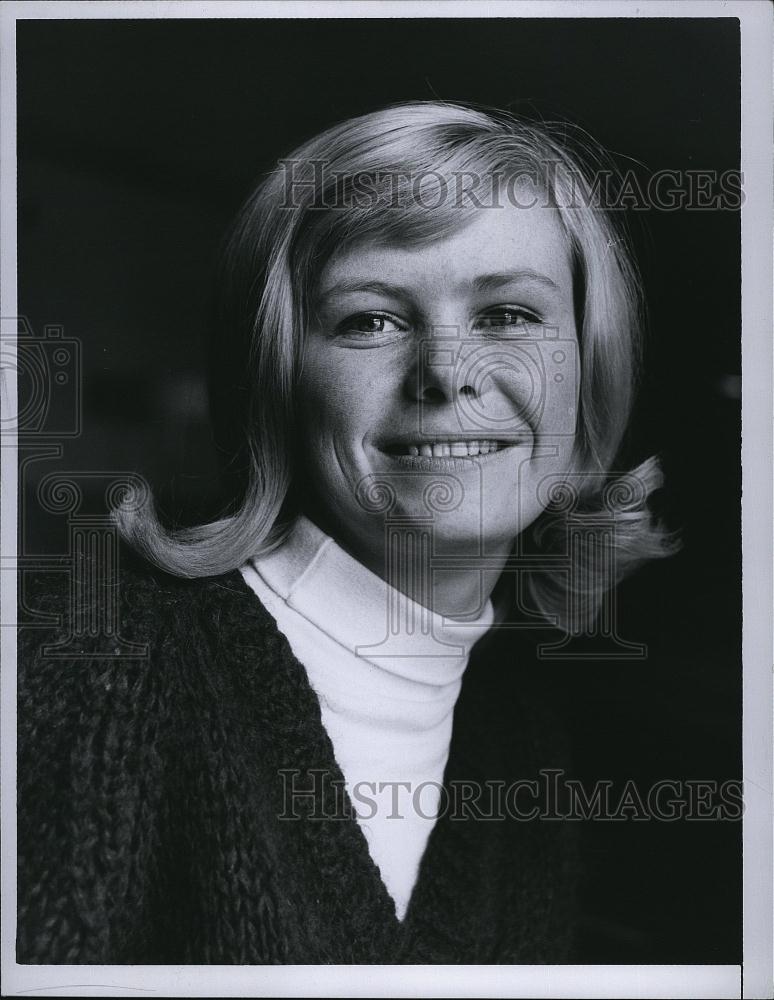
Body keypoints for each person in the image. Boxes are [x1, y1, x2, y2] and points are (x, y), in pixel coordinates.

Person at [17, 101, 676, 964]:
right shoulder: (82, 666)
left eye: (509, 315)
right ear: (278, 378)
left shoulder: (525, 746)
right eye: (370, 319)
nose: (447, 373)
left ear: (589, 373)